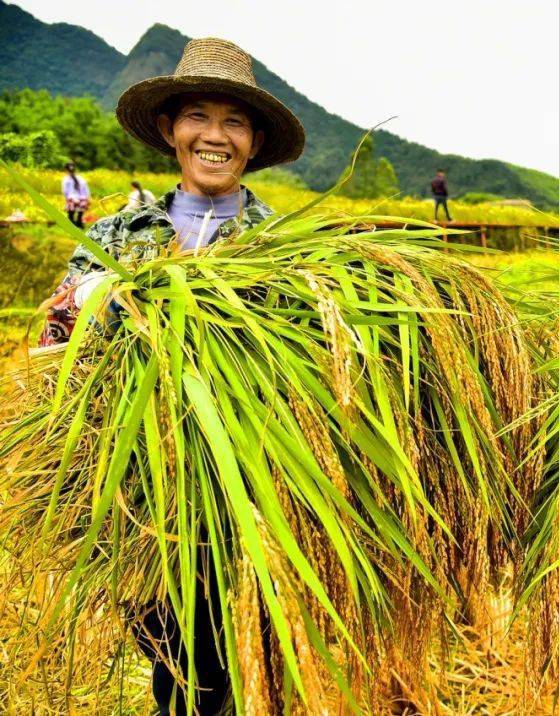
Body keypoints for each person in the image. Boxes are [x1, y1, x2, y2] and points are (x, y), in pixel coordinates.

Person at [38, 37, 306, 715]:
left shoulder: (282, 247)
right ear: (168, 130)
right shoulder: (117, 235)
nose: (214, 136)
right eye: (197, 116)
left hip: (252, 489)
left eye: (234, 122)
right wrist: (70, 324)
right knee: (174, 659)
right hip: (145, 491)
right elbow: (55, 352)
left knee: (238, 659)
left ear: (254, 141)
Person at [61, 162, 91, 228]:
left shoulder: (68, 179)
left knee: (74, 211)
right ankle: (77, 222)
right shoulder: (78, 178)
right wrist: (85, 197)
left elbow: (65, 191)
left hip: (76, 198)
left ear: (66, 170)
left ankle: (76, 222)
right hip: (76, 198)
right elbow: (85, 189)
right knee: (75, 211)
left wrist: (84, 197)